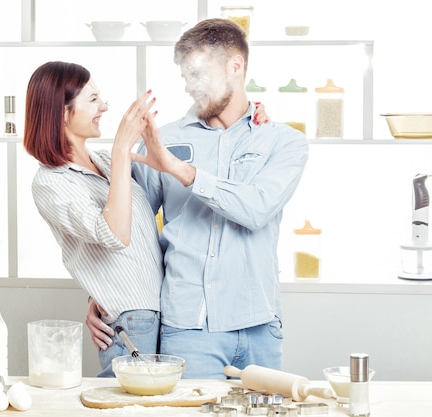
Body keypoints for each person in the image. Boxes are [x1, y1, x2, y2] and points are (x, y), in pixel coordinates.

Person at [86, 18, 309, 379]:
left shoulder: (282, 142)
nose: (190, 86)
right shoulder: (162, 139)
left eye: (198, 74)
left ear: (235, 67)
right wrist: (105, 293)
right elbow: (129, 230)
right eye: (185, 76)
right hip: (188, 330)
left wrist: (180, 170)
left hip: (260, 328)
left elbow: (255, 208)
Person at [23, 61, 163, 377]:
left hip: (155, 310)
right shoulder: (51, 182)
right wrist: (120, 151)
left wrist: (96, 293)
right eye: (93, 99)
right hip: (133, 318)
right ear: (62, 113)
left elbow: (136, 234)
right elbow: (114, 234)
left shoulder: (102, 161)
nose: (104, 106)